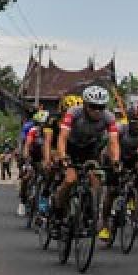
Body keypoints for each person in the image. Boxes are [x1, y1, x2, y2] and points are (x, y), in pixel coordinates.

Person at [52, 86, 121, 237]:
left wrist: (115, 161)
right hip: (71, 147)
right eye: (93, 107)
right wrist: (63, 156)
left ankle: (89, 211)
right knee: (70, 180)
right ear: (85, 105)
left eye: (101, 107)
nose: (97, 111)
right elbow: (62, 137)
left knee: (95, 179)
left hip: (90, 148)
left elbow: (114, 142)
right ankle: (57, 217)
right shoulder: (73, 113)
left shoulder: (109, 117)